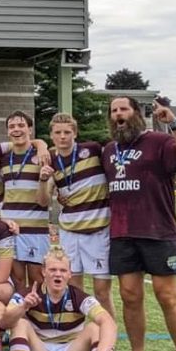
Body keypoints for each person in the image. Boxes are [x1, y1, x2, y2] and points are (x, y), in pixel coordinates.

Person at [101, 96, 176, 351]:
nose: (118, 114)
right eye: (114, 111)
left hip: (158, 230)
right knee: (130, 296)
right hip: (122, 233)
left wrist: (175, 123)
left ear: (135, 113)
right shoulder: (108, 150)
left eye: (123, 109)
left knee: (167, 295)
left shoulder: (159, 141)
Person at [42, 113, 114, 318]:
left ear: (75, 133)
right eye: (58, 132)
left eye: (67, 132)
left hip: (98, 230)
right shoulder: (50, 159)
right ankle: (79, 333)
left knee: (102, 291)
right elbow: (47, 195)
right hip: (70, 231)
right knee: (74, 289)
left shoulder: (92, 149)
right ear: (51, 136)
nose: (63, 136)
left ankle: (108, 340)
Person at [0, 248, 117, 351]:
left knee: (95, 328)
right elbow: (4, 322)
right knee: (20, 323)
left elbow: (108, 322)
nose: (58, 274)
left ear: (70, 274)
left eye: (63, 270)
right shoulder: (28, 294)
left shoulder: (79, 297)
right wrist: (23, 307)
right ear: (43, 272)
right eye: (53, 270)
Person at [0, 111, 48, 293]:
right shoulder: (3, 159)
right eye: (12, 126)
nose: (16, 130)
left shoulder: (43, 156)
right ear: (7, 132)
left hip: (36, 229)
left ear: (30, 128)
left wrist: (41, 145)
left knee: (38, 278)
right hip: (11, 228)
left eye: (21, 125)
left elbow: (46, 197)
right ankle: (22, 319)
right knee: (17, 279)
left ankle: (41, 318)